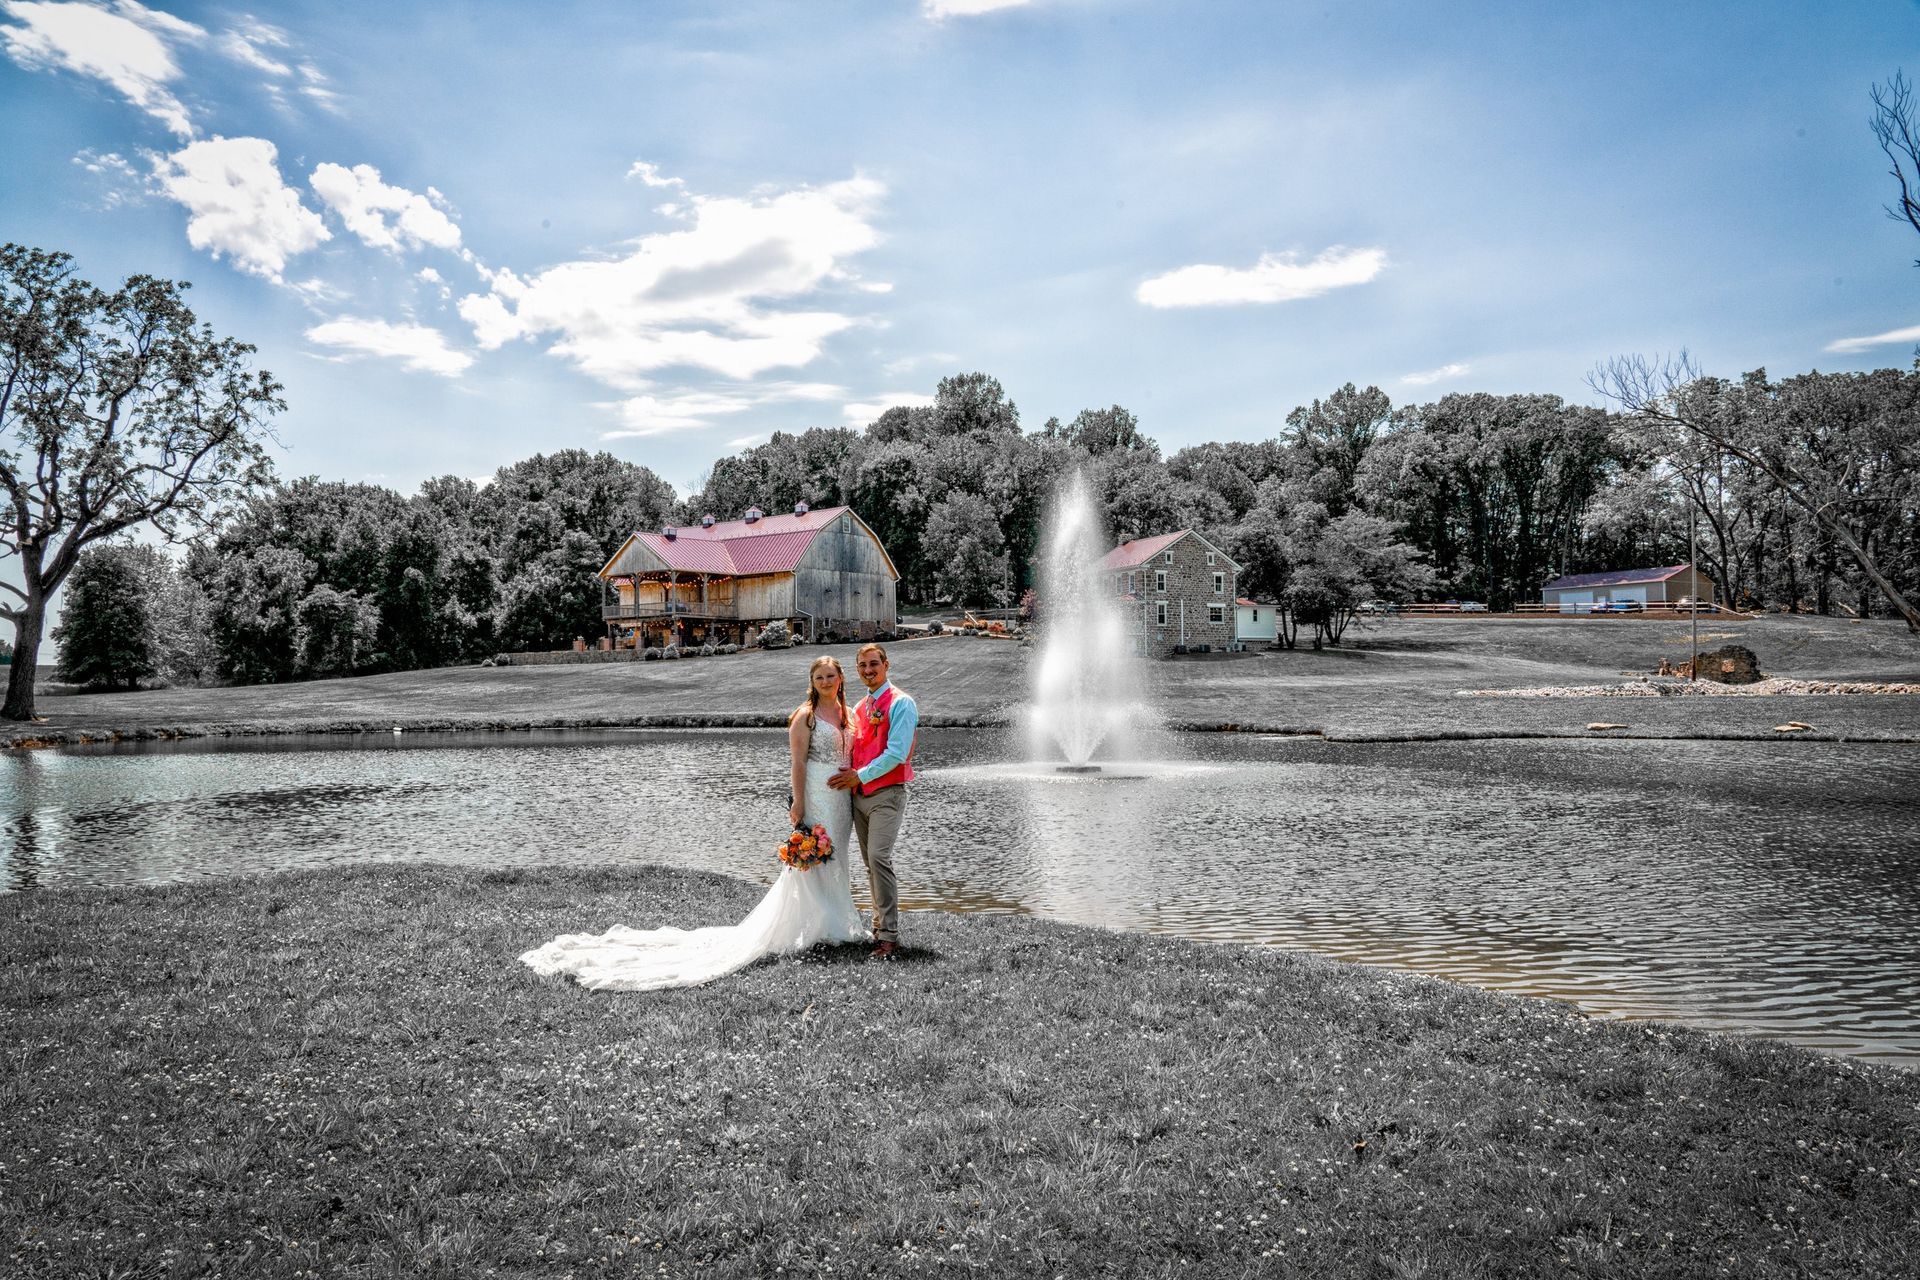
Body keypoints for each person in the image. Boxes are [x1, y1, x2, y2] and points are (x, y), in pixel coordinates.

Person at [518, 656, 868, 990]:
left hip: (841, 801)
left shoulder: (848, 714)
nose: (825, 681)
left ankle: (837, 918)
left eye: (831, 675)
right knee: (811, 861)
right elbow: (797, 765)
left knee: (836, 858)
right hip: (816, 796)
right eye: (819, 676)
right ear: (812, 681)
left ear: (840, 680)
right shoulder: (804, 717)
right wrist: (800, 804)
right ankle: (814, 925)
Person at [829, 643, 917, 960]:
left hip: (887, 795)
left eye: (874, 664)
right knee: (870, 866)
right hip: (859, 797)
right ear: (857, 670)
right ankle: (879, 929)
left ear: (886, 664)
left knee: (879, 858)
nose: (869, 670)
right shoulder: (859, 708)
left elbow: (896, 753)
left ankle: (889, 937)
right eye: (863, 665)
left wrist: (859, 776)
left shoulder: (902, 704)